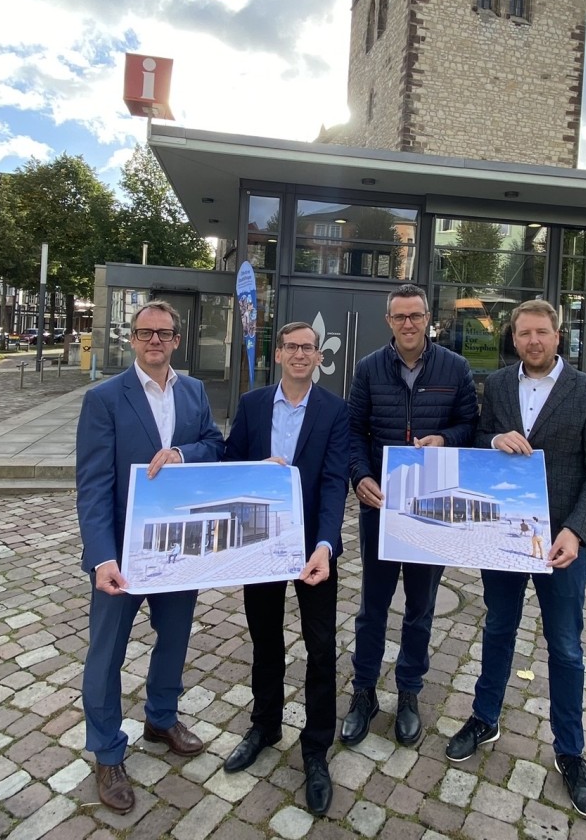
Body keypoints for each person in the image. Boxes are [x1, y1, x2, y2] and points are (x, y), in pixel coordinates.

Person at [444, 299, 586, 819]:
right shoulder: (497, 385)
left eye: (542, 332)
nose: (533, 341)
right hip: (505, 535)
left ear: (557, 336)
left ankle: (570, 751)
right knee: (498, 627)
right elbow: (478, 439)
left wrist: (578, 532)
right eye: (524, 333)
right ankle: (484, 716)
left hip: (561, 542)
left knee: (564, 647)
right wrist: (494, 437)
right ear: (513, 337)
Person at [75, 300, 225, 814]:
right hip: (122, 555)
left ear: (176, 340)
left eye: (163, 333)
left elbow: (214, 444)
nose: (154, 341)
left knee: (175, 639)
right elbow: (92, 485)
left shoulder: (195, 392)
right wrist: (101, 558)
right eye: (145, 333)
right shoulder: (104, 399)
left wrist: (184, 454)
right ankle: (107, 751)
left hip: (179, 549)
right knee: (106, 654)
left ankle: (161, 718)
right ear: (132, 339)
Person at [222, 321, 350, 816]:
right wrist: (257, 473)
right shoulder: (254, 406)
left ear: (319, 357)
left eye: (308, 348)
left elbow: (336, 479)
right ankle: (265, 724)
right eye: (292, 347)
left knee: (321, 648)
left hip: (314, 551)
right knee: (265, 638)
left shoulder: (334, 410)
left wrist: (326, 545)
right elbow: (232, 464)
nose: (300, 355)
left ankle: (315, 748)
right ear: (277, 355)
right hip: (261, 546)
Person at [343, 283, 477, 747]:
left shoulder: (455, 368)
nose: (408, 324)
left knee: (420, 608)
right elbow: (353, 431)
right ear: (389, 321)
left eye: (415, 316)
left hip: (431, 506)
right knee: (372, 607)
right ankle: (363, 693)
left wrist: (446, 439)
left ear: (428, 319)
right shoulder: (367, 369)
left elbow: (470, 426)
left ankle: (409, 691)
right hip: (381, 503)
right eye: (399, 317)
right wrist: (359, 475)